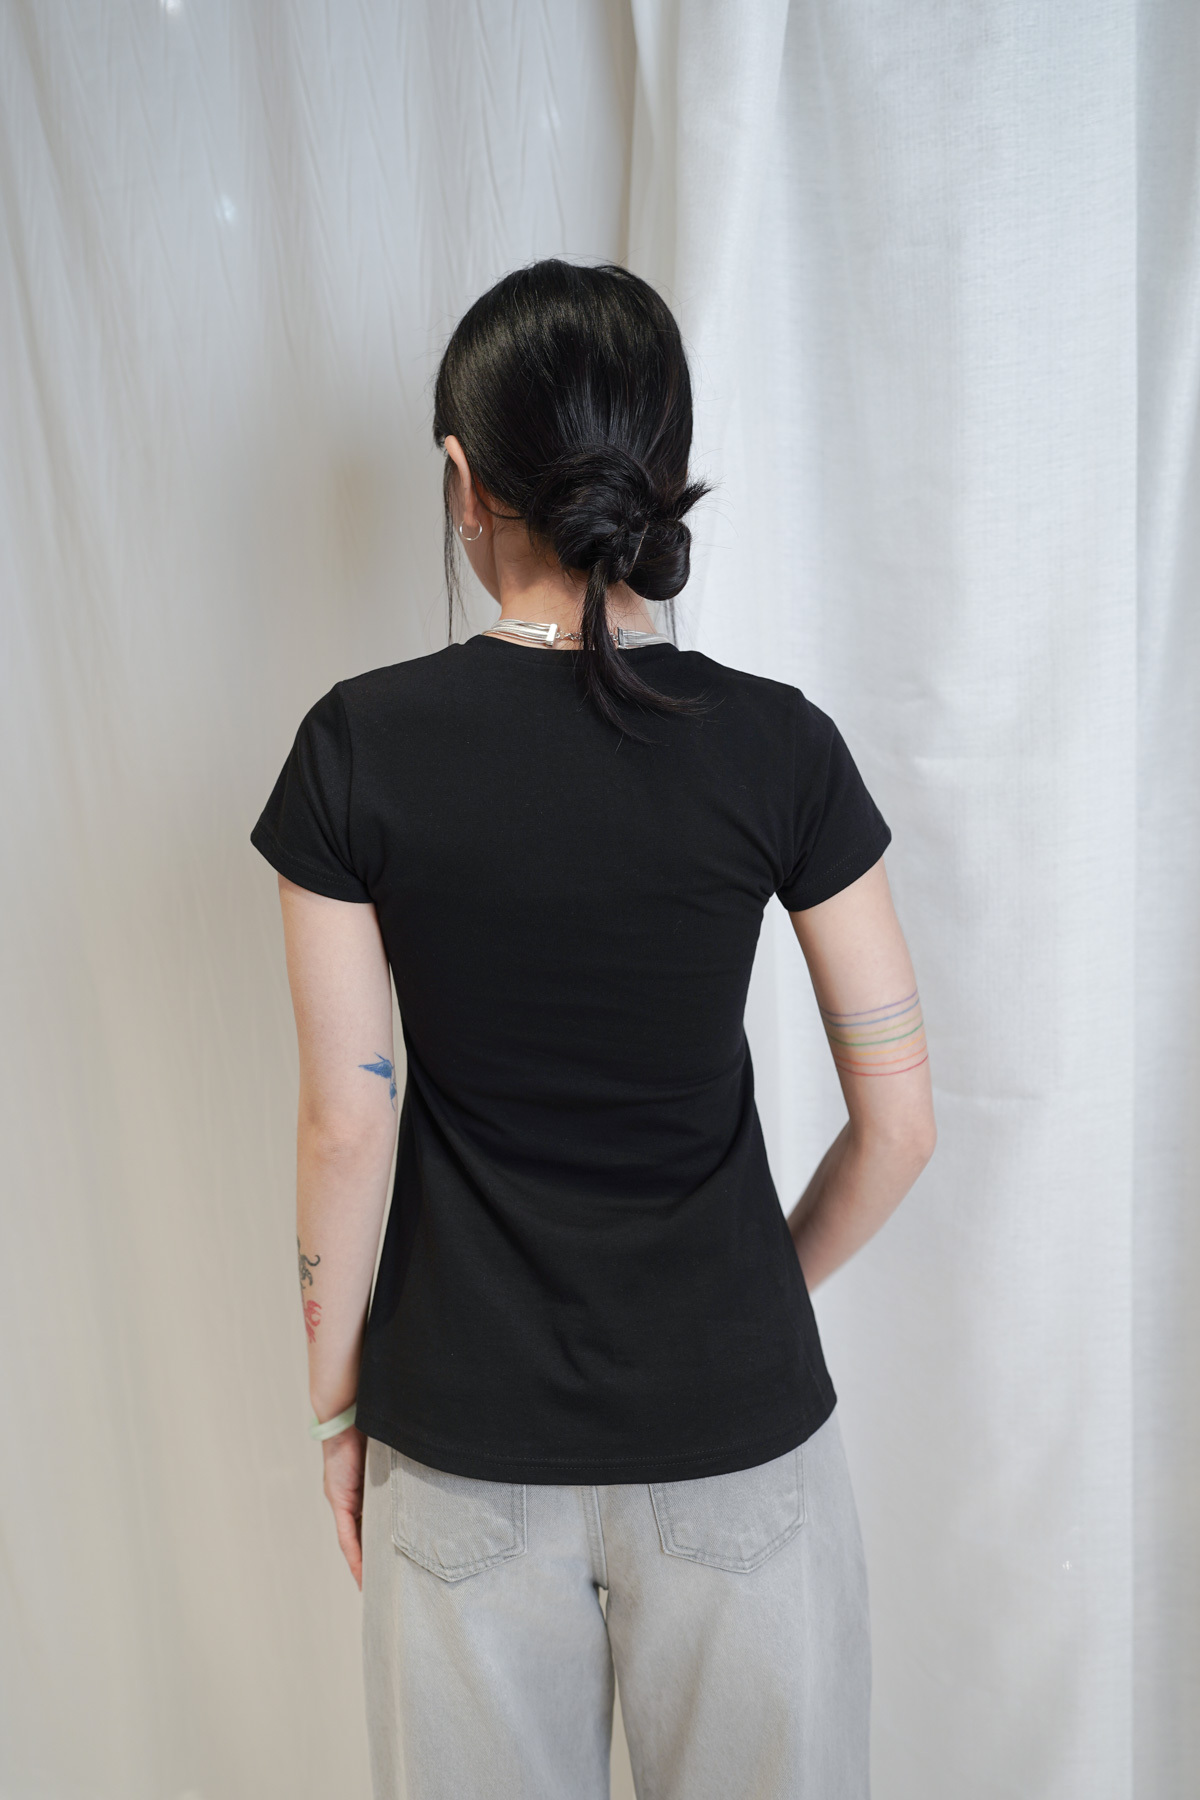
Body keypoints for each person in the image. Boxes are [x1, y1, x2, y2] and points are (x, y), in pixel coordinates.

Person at [250, 258, 936, 1800]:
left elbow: (348, 1120)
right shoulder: (781, 747)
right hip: (739, 1443)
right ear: (660, 470)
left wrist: (339, 1408)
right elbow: (901, 1123)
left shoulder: (357, 748)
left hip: (463, 1452)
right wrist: (752, 1293)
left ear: (461, 480)